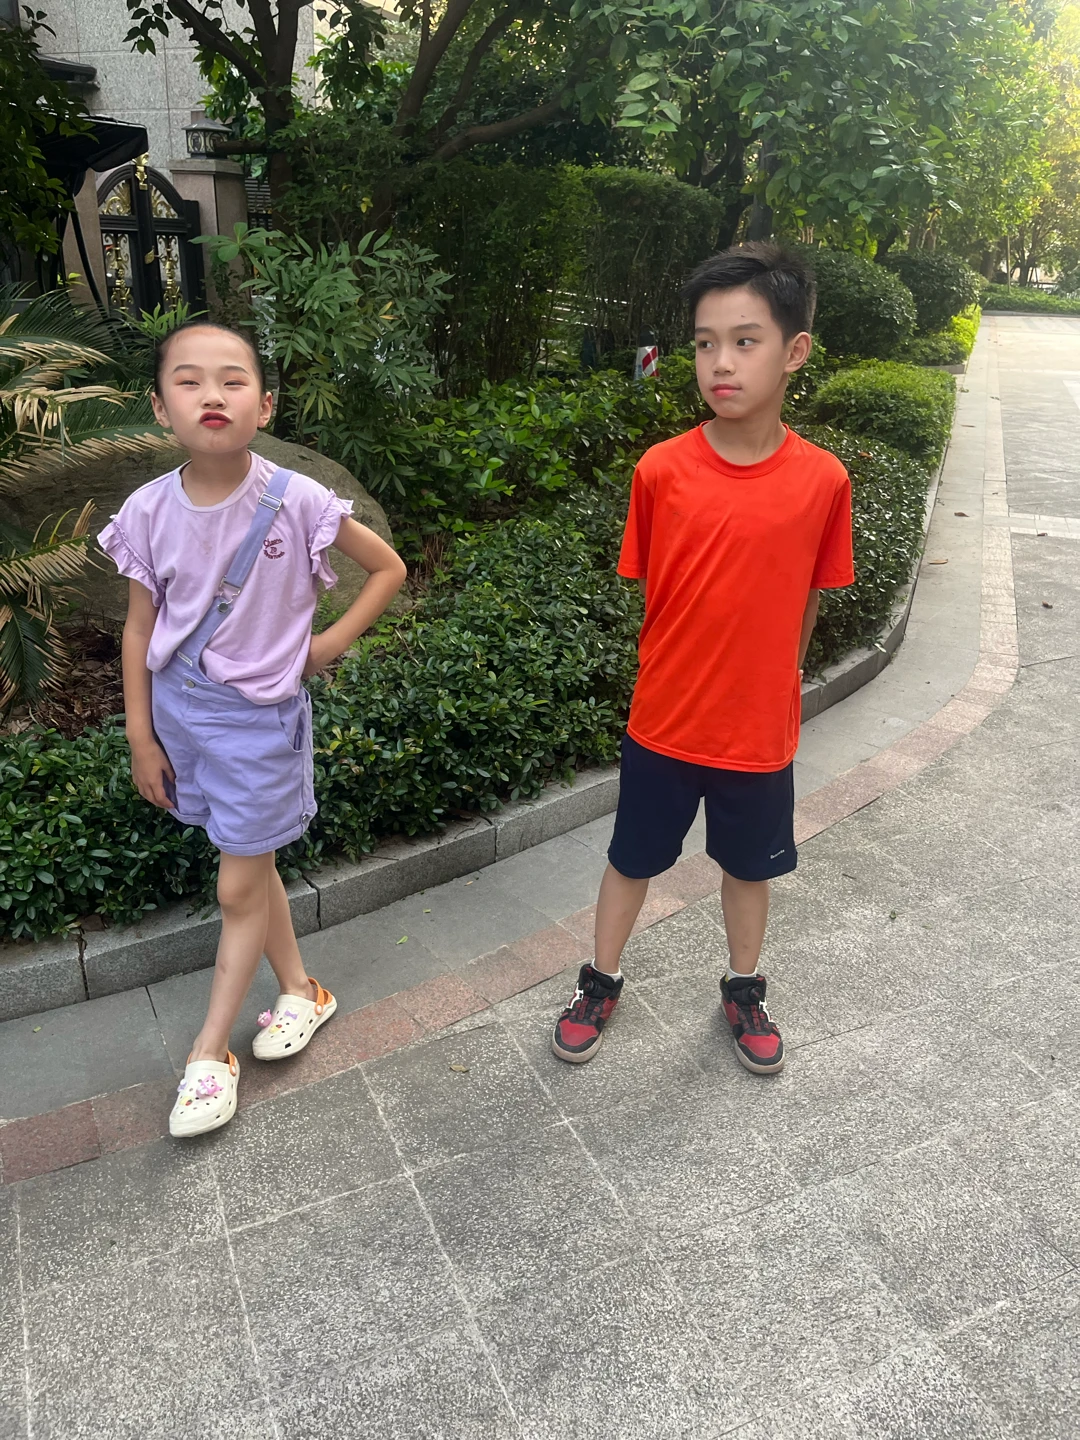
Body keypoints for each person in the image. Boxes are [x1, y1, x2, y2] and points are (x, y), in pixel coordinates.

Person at [551, 243, 854, 1074]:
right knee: (631, 858)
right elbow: (664, 597)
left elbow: (810, 597)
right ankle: (599, 980)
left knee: (749, 870)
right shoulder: (662, 471)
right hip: (664, 723)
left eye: (745, 341)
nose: (720, 362)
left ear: (794, 351)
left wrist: (776, 684)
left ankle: (744, 987)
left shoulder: (824, 481)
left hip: (758, 732)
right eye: (704, 343)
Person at [99, 321, 406, 1137]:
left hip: (259, 725)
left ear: (264, 405)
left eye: (233, 380)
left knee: (236, 885)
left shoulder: (296, 499)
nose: (213, 395)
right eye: (190, 380)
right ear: (159, 406)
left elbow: (388, 568)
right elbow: (139, 628)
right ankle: (302, 992)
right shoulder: (147, 509)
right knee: (249, 854)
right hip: (179, 715)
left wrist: (327, 645)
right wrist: (140, 736)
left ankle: (209, 1055)